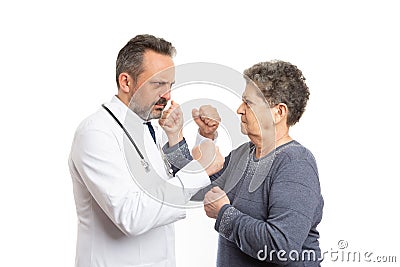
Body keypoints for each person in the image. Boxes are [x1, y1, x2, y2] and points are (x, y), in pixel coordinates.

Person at [68, 34, 222, 267]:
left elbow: (180, 191)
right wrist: (197, 171)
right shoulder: (96, 133)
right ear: (126, 82)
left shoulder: (150, 127)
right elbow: (131, 217)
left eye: (170, 86)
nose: (167, 95)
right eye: (158, 84)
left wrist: (203, 138)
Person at [165, 60, 324, 266]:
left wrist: (225, 214)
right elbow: (194, 188)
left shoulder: (296, 164)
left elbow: (281, 247)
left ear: (278, 112)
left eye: (248, 103)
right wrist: (178, 134)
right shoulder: (244, 154)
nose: (239, 110)